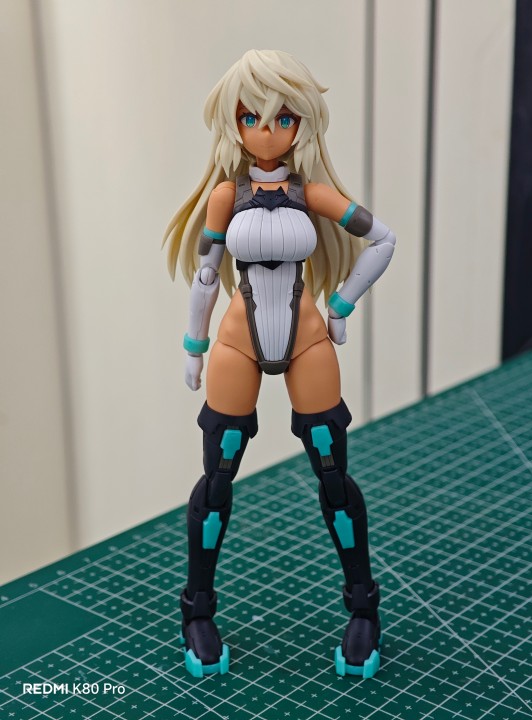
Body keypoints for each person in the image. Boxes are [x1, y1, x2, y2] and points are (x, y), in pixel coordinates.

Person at [163, 49, 396, 678]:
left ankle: (363, 608)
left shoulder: (311, 192)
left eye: (283, 118)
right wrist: (193, 344)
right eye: (251, 117)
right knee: (218, 475)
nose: (266, 132)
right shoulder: (225, 197)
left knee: (332, 471)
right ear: (233, 124)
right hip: (238, 341)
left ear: (302, 124)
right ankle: (197, 611)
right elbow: (207, 275)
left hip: (307, 339)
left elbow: (384, 239)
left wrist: (343, 303)